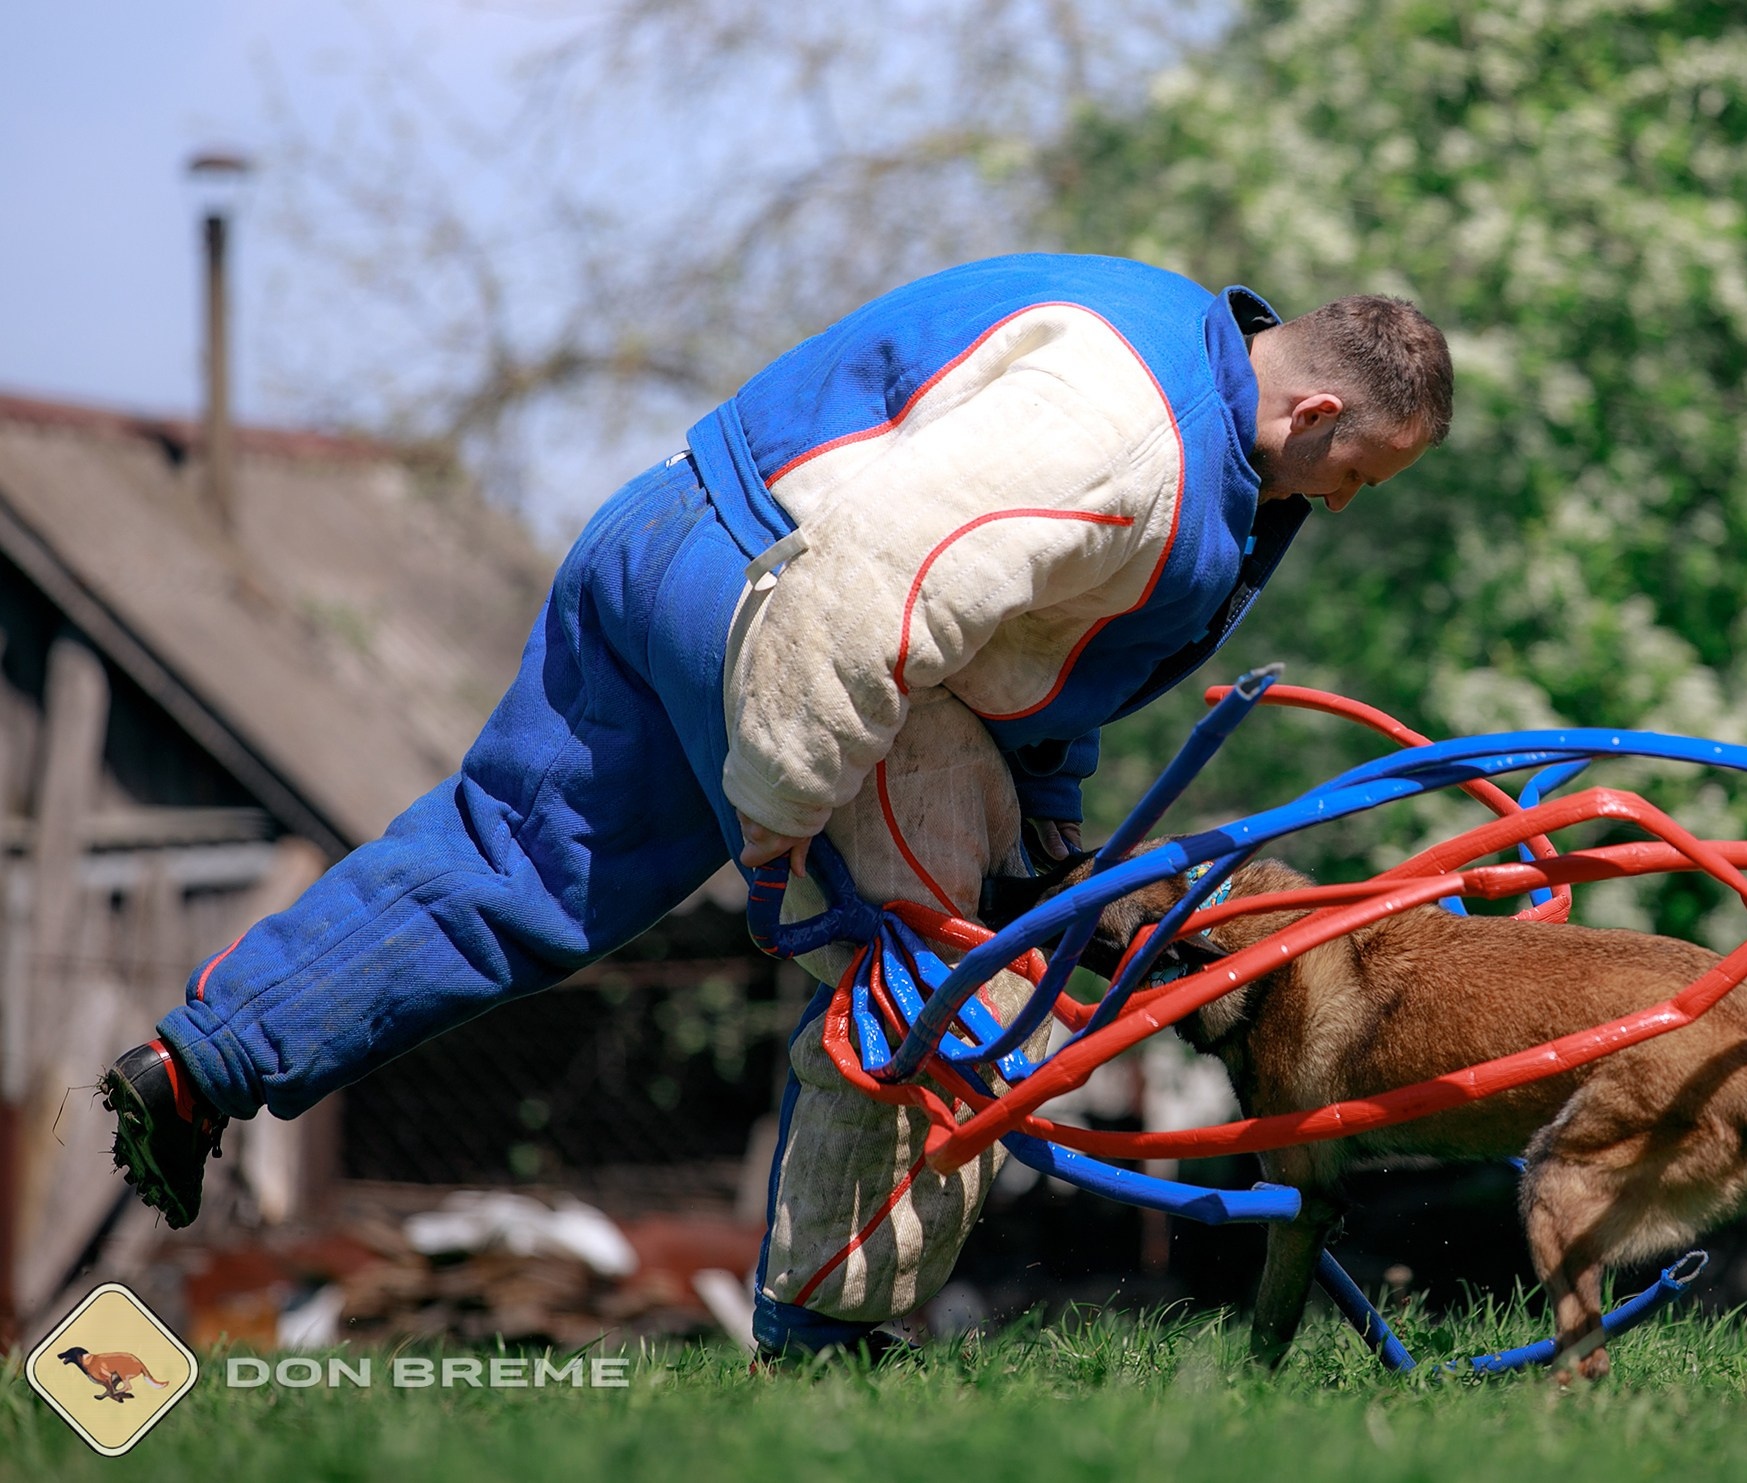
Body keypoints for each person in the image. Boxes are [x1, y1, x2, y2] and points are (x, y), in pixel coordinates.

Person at [97, 252, 1451, 1354]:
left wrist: (1052, 827)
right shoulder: (1130, 440)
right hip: (782, 615)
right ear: (1318, 416)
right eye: (1359, 477)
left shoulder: (1163, 335)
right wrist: (784, 804)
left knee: (511, 864)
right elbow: (876, 580)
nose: (1340, 506)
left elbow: (1032, 647)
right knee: (930, 988)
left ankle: (205, 1060)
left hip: (669, 534)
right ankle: (830, 1342)